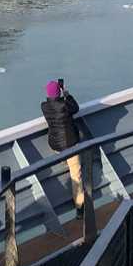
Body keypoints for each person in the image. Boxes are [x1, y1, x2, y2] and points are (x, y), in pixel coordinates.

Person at [41, 80, 88, 210]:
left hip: (55, 145)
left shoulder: (44, 106)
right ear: (59, 92)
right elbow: (76, 108)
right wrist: (67, 94)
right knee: (76, 175)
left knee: (66, 159)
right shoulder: (65, 105)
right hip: (70, 145)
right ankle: (80, 207)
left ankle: (65, 162)